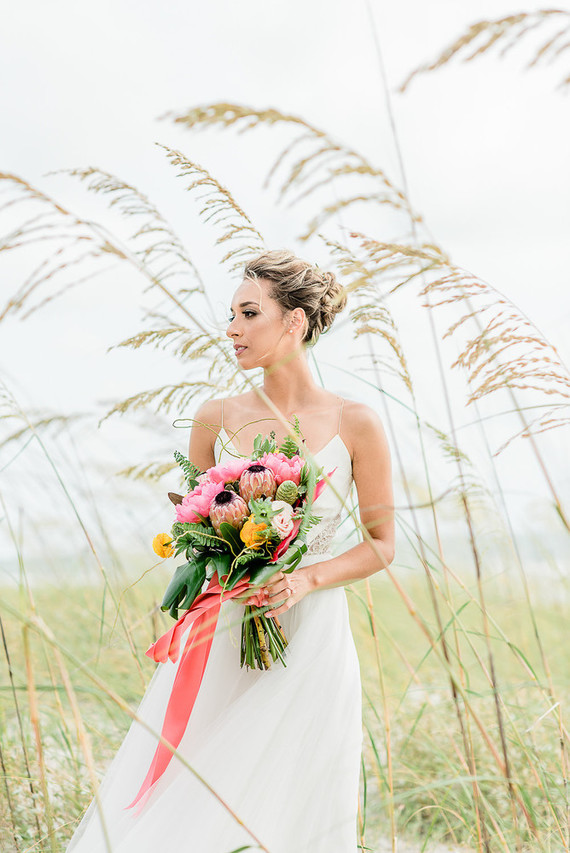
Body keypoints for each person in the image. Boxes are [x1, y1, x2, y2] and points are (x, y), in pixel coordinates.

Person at [66, 248, 395, 852]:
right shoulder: (213, 417)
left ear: (294, 322)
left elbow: (382, 544)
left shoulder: (357, 422)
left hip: (311, 634)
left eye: (248, 314)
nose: (232, 330)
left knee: (291, 795)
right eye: (232, 315)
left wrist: (306, 580)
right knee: (200, 789)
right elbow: (195, 531)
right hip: (222, 628)